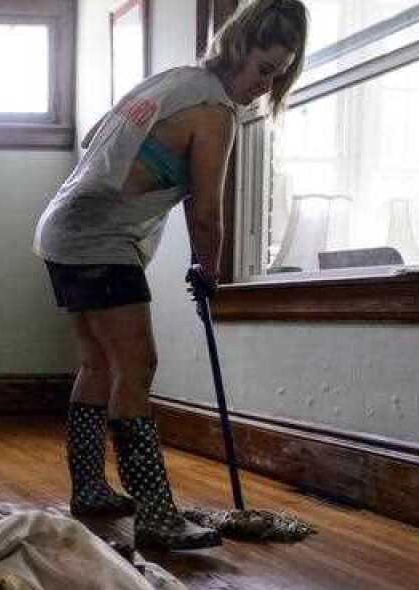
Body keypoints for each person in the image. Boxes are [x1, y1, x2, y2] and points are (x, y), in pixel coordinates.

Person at [34, 0, 309, 549]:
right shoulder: (215, 112)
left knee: (97, 361)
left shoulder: (174, 81)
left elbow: (95, 138)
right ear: (236, 48)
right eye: (262, 69)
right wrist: (210, 272)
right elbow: (206, 211)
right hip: (101, 238)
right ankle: (157, 519)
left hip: (62, 227)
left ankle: (89, 489)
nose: (262, 86)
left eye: (276, 76)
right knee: (138, 365)